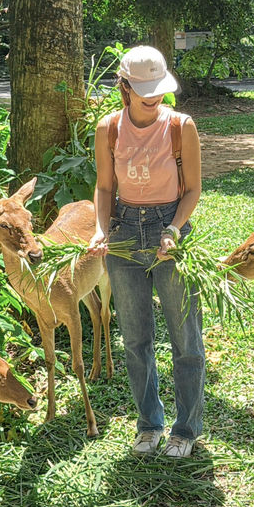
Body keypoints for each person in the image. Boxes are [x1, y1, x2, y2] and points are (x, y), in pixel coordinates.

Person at [89, 46, 205, 459]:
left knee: (185, 338)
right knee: (136, 339)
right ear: (124, 87)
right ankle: (149, 424)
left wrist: (173, 229)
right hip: (122, 233)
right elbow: (105, 188)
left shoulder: (180, 126)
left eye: (158, 89)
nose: (153, 97)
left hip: (169, 229)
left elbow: (192, 189)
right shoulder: (108, 129)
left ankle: (187, 429)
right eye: (144, 91)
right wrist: (102, 230)